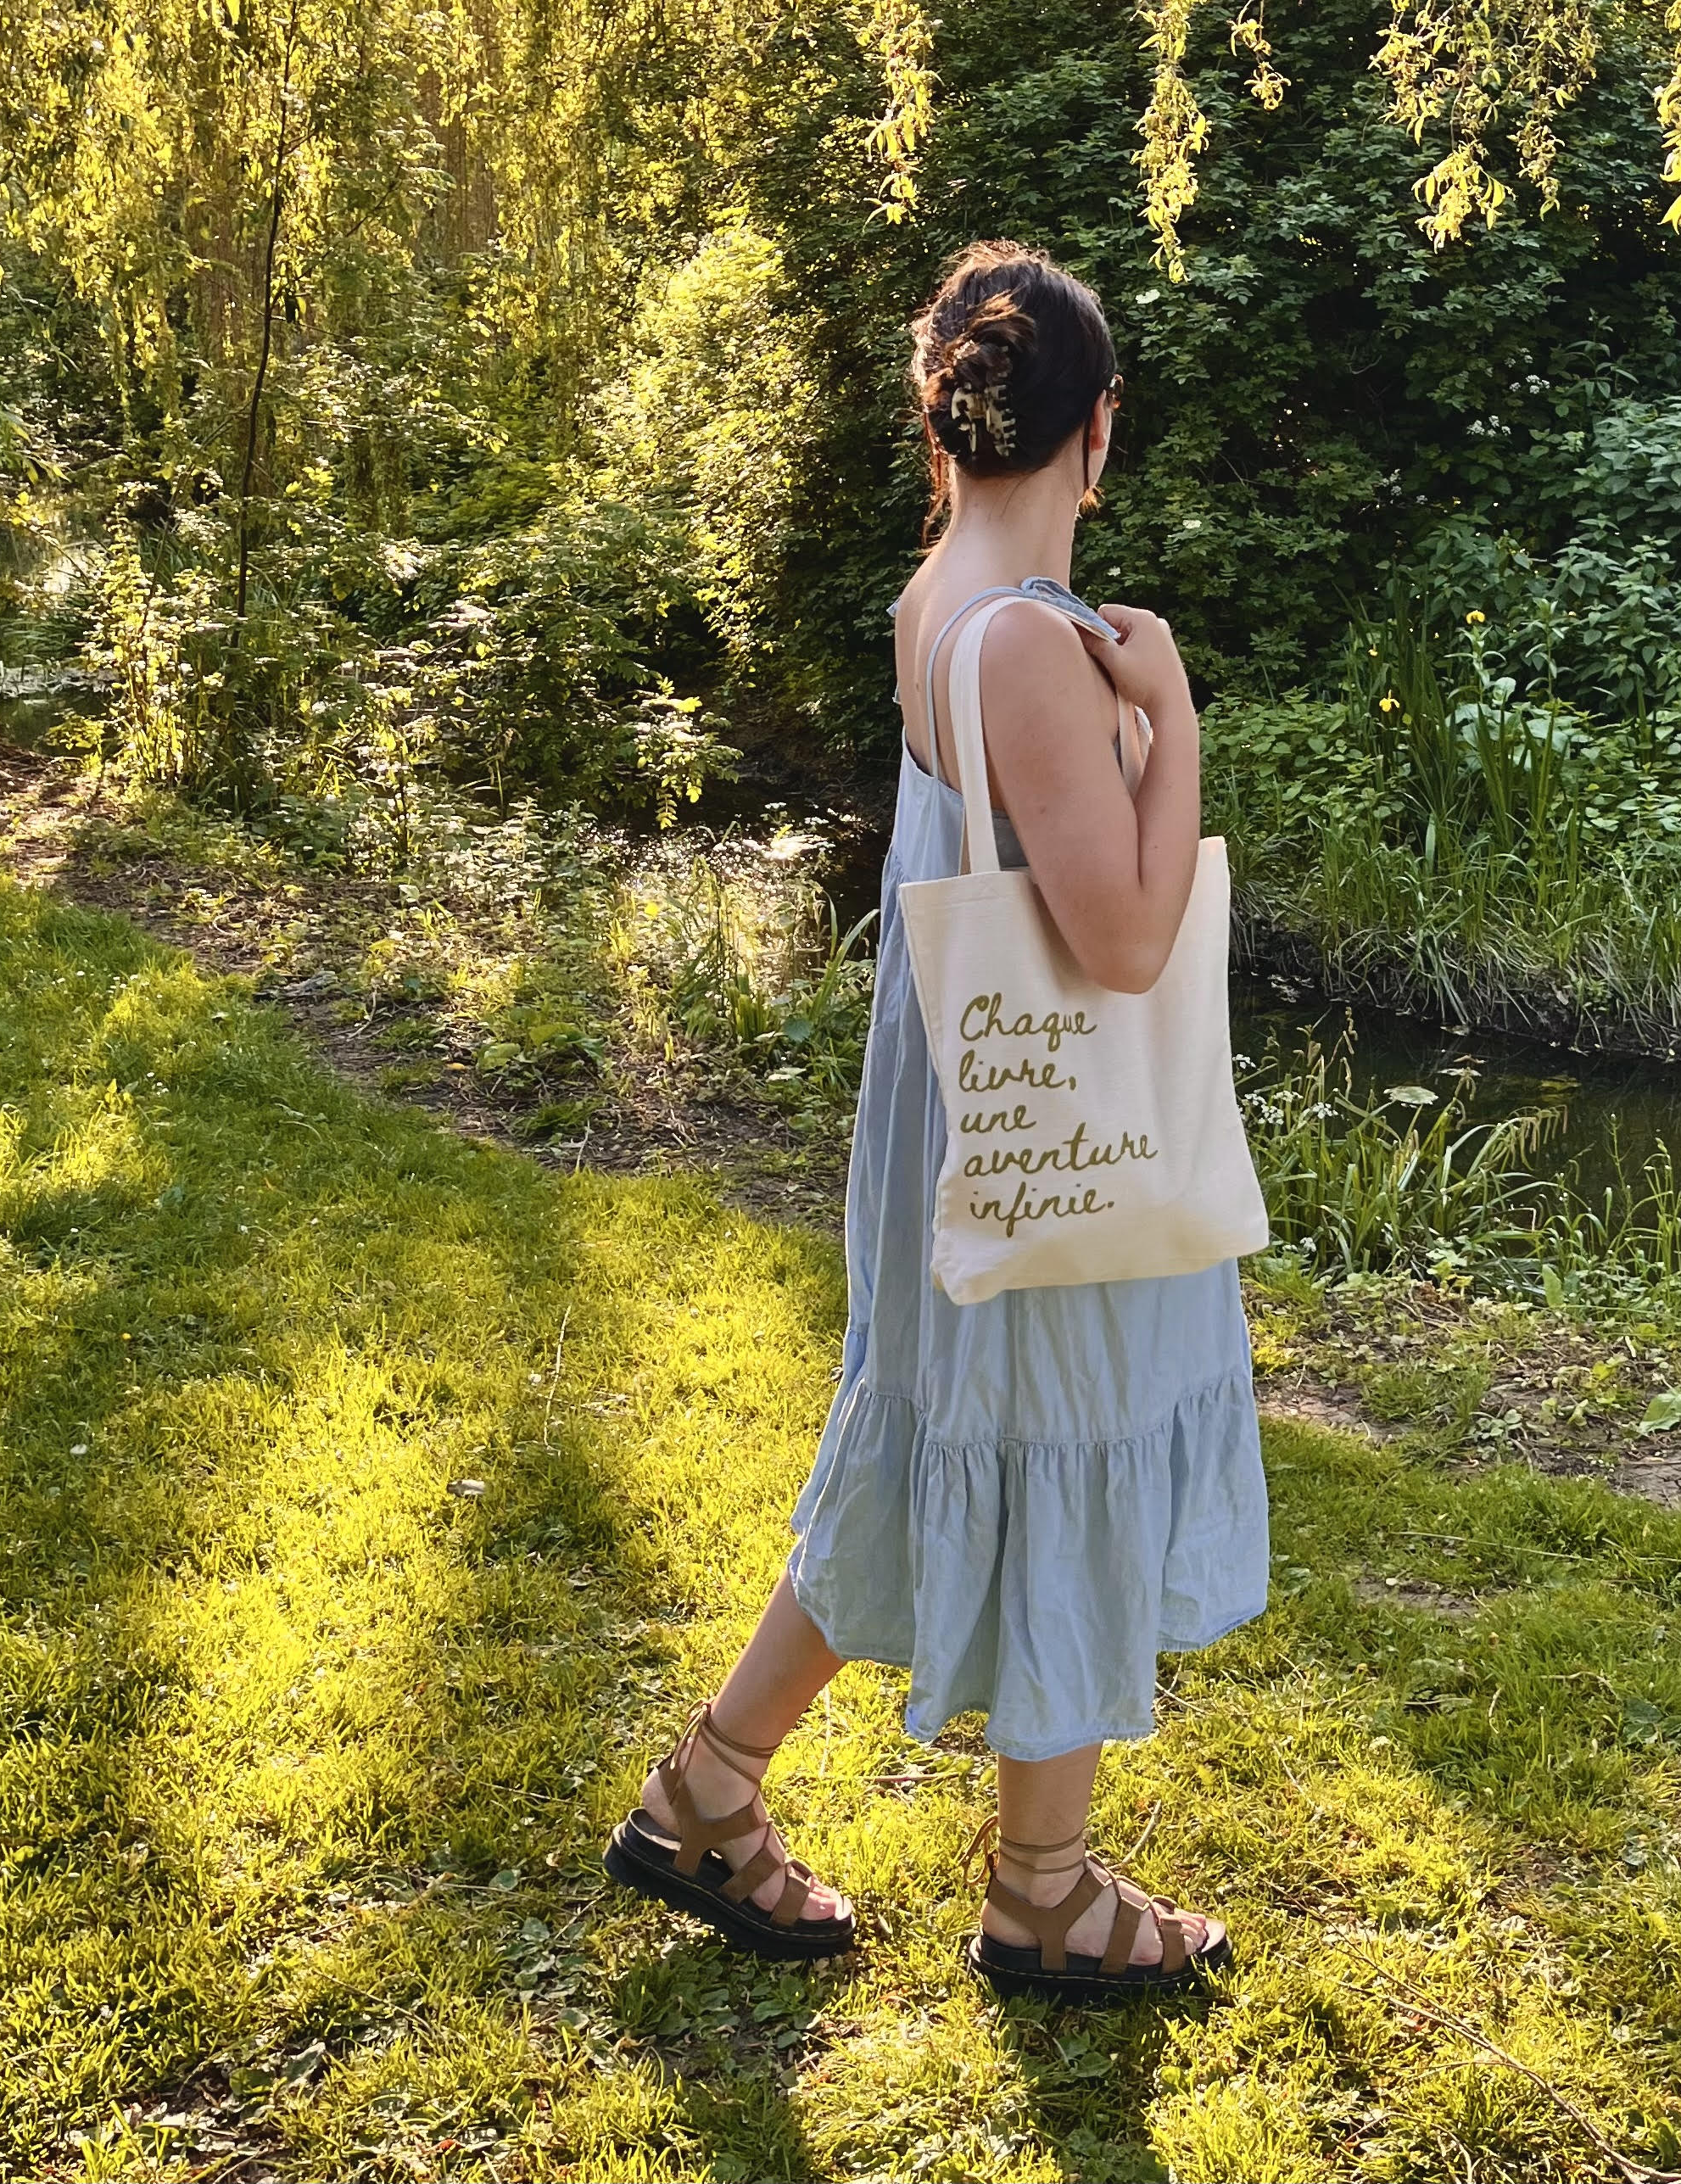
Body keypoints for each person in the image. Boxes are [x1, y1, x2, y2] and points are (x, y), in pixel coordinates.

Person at [604, 239, 1268, 2001]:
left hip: (960, 1113)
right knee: (1062, 1444)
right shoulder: (1034, 646)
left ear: (945, 431)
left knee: (933, 1439)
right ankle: (1041, 1887)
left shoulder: (931, 607)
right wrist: (1175, 712)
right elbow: (1125, 941)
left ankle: (707, 1793)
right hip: (1053, 1136)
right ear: (1096, 434)